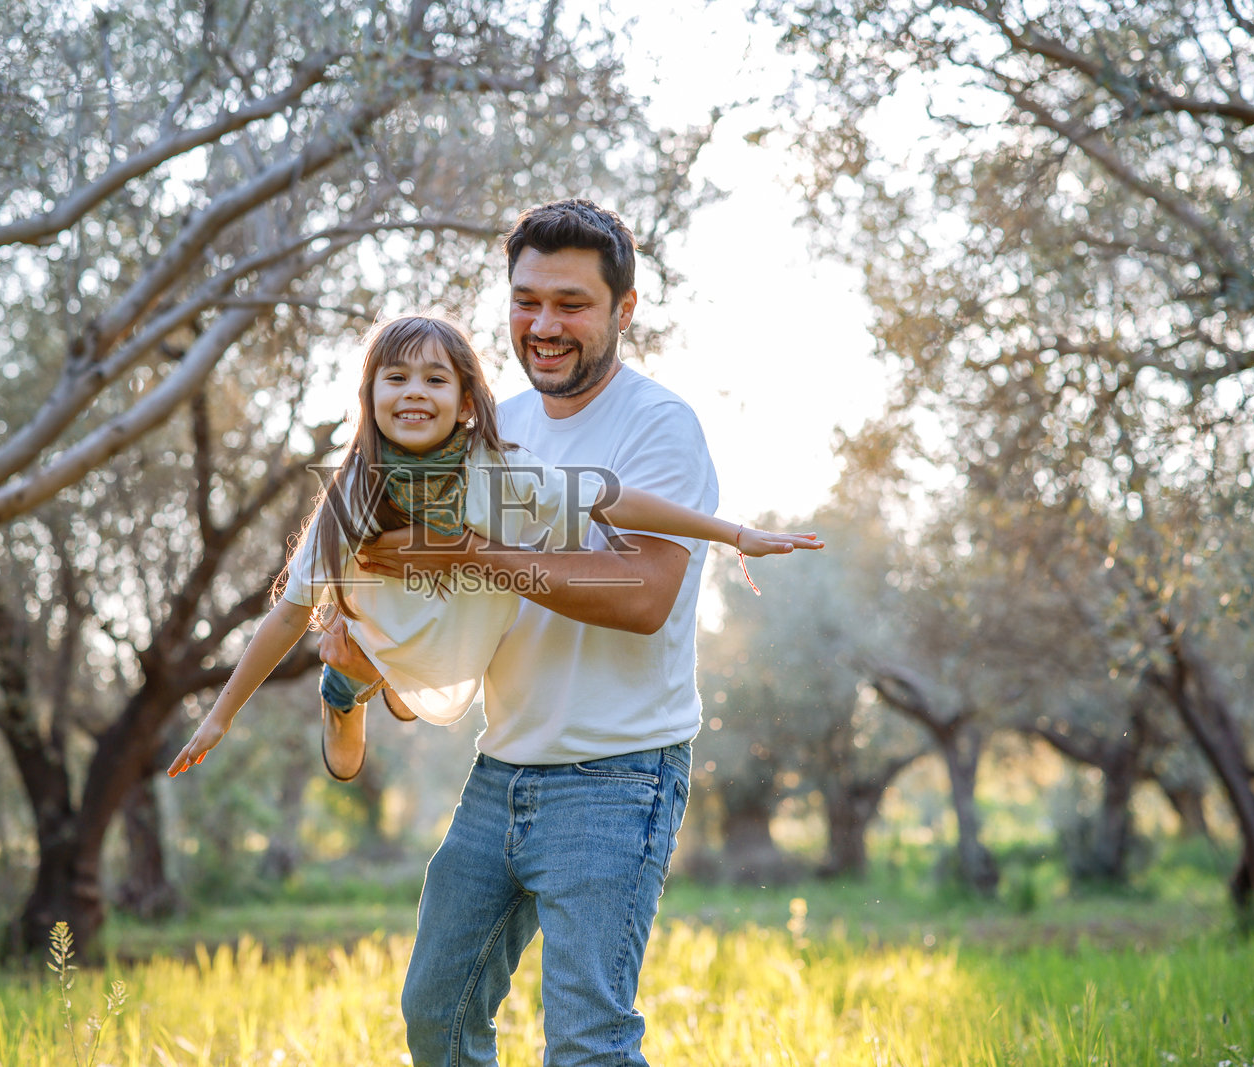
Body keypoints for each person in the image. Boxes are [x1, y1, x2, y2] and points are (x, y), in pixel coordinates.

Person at [318, 199, 819, 1066]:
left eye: (571, 304)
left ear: (624, 309)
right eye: (527, 301)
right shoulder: (492, 426)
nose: (544, 325)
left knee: (588, 1043)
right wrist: (369, 650)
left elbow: (644, 595)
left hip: (617, 777)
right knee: (437, 1014)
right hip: (500, 768)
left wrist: (475, 552)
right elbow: (437, 591)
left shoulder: (659, 425)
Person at [166, 312, 819, 785]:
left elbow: (611, 499)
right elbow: (289, 613)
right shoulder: (355, 489)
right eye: (395, 377)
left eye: (435, 379)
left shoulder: (500, 468)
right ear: (370, 398)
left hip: (454, 639)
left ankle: (397, 685)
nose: (414, 390)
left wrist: (731, 533)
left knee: (432, 668)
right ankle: (345, 693)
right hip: (379, 635)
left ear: (464, 403)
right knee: (353, 652)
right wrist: (221, 716)